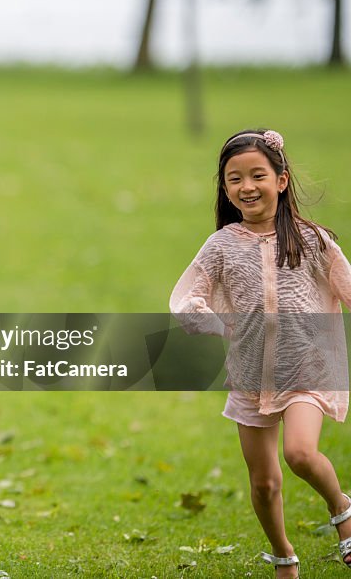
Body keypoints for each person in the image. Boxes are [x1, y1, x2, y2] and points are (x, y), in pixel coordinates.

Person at [170, 129, 351, 578]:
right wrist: (213, 321)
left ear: (282, 180)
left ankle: (343, 510)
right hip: (251, 376)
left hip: (307, 369)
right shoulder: (222, 245)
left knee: (301, 454)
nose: (246, 186)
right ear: (225, 187)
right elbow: (185, 298)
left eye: (257, 175)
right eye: (234, 179)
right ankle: (284, 556)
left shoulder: (313, 240)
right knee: (265, 483)